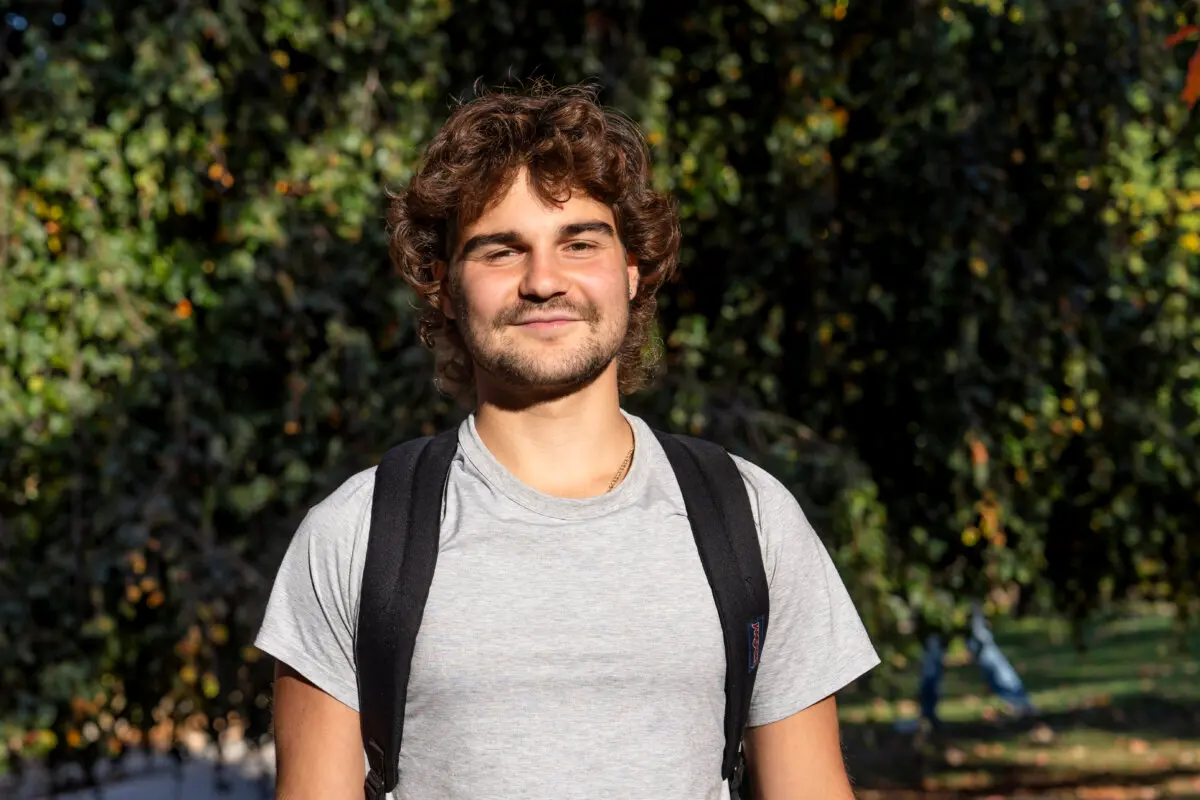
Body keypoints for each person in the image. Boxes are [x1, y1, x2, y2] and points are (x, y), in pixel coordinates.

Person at [254, 82, 880, 800]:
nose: (543, 281)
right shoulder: (356, 537)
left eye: (579, 242)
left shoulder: (751, 519)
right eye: (500, 251)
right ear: (444, 287)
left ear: (632, 269)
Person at [896, 603, 1035, 733]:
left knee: (981, 645)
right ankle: (927, 715)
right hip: (937, 601)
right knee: (935, 650)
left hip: (962, 597)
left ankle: (1019, 703)